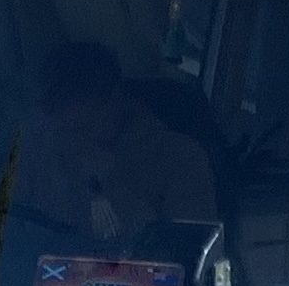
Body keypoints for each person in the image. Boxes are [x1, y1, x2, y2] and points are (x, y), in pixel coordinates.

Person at [14, 42, 217, 244]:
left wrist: (113, 186)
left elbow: (188, 251)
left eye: (83, 126)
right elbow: (5, 231)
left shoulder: (181, 160)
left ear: (115, 101)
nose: (74, 139)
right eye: (62, 129)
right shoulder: (35, 151)